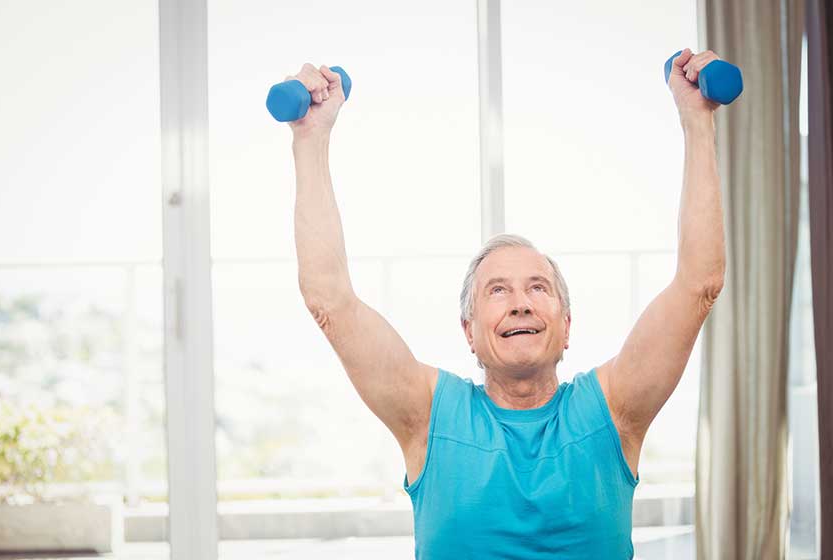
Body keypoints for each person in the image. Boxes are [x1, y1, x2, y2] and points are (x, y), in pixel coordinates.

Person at [287, 49, 725, 559]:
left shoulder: (613, 408)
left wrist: (697, 122)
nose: (520, 303)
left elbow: (699, 284)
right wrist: (310, 140)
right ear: (468, 331)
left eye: (538, 288)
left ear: (567, 325)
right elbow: (330, 302)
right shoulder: (428, 415)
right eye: (497, 290)